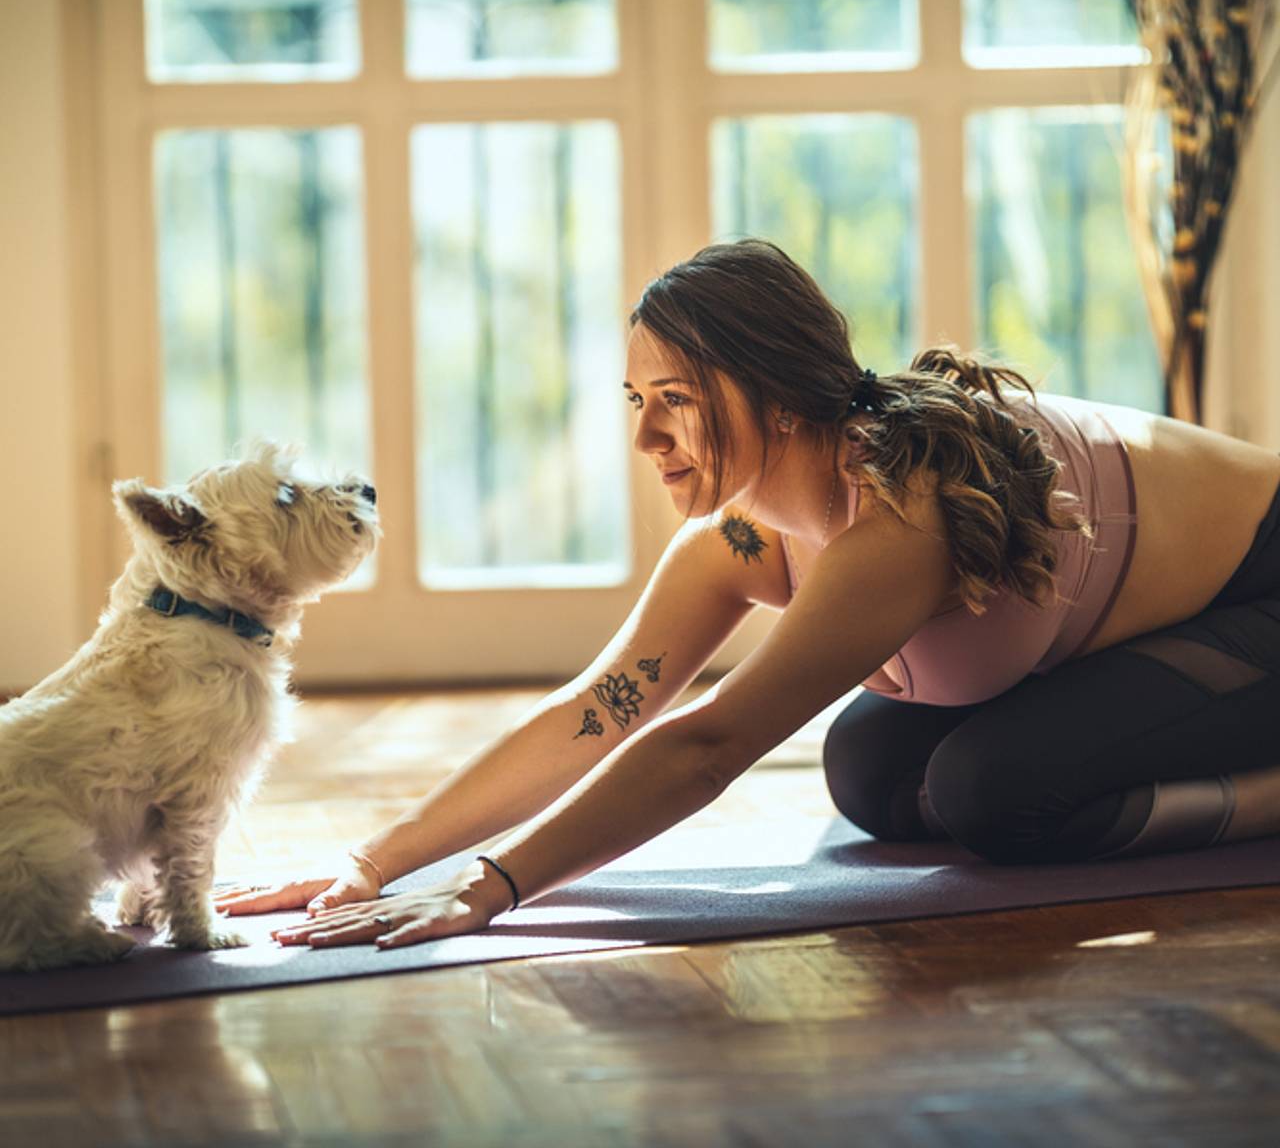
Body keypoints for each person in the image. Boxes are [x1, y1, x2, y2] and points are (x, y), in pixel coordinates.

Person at [217, 238, 1280, 951]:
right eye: (636, 400)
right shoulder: (738, 535)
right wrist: (374, 860)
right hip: (1125, 622)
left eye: (673, 401)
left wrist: (493, 885)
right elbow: (596, 712)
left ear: (774, 397)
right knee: (868, 768)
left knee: (992, 791)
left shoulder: (897, 518)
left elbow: (707, 742)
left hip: (1258, 593)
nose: (643, 438)